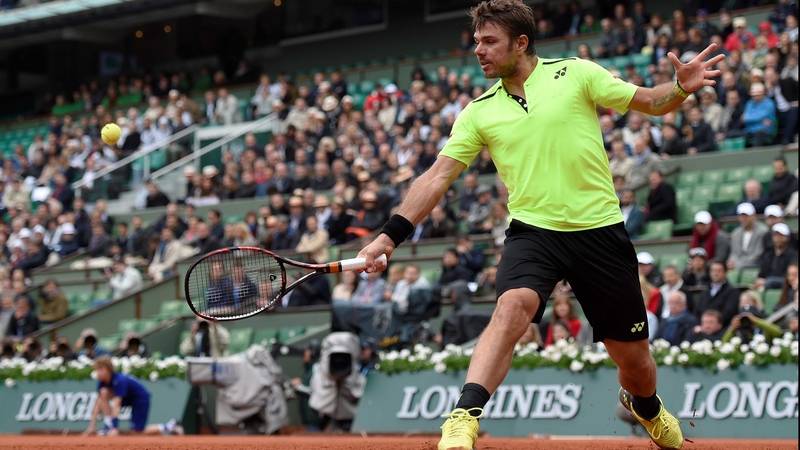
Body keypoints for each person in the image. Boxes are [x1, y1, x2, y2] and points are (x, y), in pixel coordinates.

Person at [356, 1, 724, 447]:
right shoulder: (479, 111)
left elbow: (649, 101)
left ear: (521, 42)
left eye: (489, 41)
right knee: (511, 309)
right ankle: (463, 417)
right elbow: (436, 178)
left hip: (599, 230)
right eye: (476, 42)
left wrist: (680, 89)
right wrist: (387, 238)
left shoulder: (577, 73)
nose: (479, 50)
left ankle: (645, 406)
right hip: (534, 232)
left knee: (634, 361)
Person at [82, 356, 182, 436]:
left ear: (108, 369)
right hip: (128, 398)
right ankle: (108, 426)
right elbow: (98, 404)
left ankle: (169, 427)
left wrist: (115, 428)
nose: (98, 373)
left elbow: (117, 404)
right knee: (103, 393)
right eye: (96, 370)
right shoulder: (101, 383)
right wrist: (91, 427)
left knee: (137, 432)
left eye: (100, 369)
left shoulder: (119, 380)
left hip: (140, 398)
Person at [694, 262, 740, 327]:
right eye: (713, 271)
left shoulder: (732, 292)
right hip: (703, 327)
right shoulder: (705, 291)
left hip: (722, 327)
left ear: (725, 273)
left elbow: (729, 312)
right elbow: (697, 311)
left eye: (719, 271)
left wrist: (714, 324)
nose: (716, 273)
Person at [756, 223, 799, 289]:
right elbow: (762, 274)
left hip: (784, 283)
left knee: (770, 282)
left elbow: (789, 276)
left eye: (781, 236)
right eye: (776, 235)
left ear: (787, 238)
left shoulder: (793, 255)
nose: (778, 238)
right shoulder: (768, 255)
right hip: (767, 284)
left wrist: (766, 281)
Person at [727, 202, 769, 270]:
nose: (743, 218)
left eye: (746, 216)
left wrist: (738, 264)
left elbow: (758, 254)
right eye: (741, 216)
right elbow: (734, 253)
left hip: (755, 266)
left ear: (754, 216)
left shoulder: (763, 231)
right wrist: (732, 262)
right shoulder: (736, 233)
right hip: (737, 266)